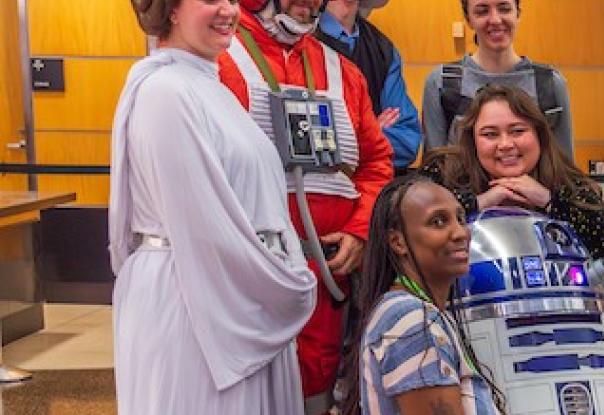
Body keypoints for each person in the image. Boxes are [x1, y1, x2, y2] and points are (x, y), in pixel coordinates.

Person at [111, 0, 316, 413]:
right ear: (170, 9)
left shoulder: (208, 87)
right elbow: (203, 223)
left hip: (237, 287)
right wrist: (285, 287)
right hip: (198, 298)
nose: (228, 10)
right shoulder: (166, 91)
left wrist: (286, 275)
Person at [218, 0, 395, 411]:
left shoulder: (343, 72)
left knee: (317, 389)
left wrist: (359, 231)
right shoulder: (219, 60)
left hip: (327, 275)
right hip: (248, 273)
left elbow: (376, 163)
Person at [342, 175, 502, 415]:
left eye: (460, 218)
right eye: (438, 221)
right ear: (398, 242)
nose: (460, 233)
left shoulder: (424, 313)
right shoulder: (411, 320)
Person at [421, 84, 604, 274]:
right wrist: (477, 203)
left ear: (539, 134)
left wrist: (549, 201)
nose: (505, 144)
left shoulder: (571, 186)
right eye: (490, 134)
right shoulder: (443, 173)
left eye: (517, 131)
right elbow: (417, 233)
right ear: (473, 141)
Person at [421, 0, 574, 157]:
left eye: (504, 9)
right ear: (468, 19)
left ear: (517, 13)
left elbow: (564, 166)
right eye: (482, 11)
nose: (495, 20)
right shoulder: (442, 83)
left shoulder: (549, 84)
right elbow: (434, 165)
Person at [316, 0, 423, 175]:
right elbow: (308, 141)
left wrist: (353, 140)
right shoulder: (301, 40)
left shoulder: (383, 50)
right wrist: (371, 132)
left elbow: (408, 142)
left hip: (375, 183)